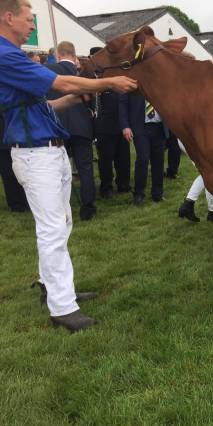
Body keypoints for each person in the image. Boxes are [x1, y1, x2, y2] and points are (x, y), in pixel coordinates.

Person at [0, 0, 137, 332]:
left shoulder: (12, 55)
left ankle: (54, 287)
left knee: (58, 225)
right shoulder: (5, 55)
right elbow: (60, 84)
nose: (32, 26)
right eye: (28, 19)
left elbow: (48, 103)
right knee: (52, 229)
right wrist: (109, 83)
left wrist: (77, 98)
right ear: (8, 17)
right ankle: (62, 307)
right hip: (36, 155)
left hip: (47, 151)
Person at [46, 40, 97, 220]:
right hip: (81, 126)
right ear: (74, 55)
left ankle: (58, 209)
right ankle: (88, 208)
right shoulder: (81, 73)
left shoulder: (48, 71)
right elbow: (90, 100)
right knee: (85, 168)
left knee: (56, 170)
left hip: (58, 127)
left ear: (58, 55)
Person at [90, 47, 131, 198]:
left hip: (120, 124)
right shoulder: (91, 80)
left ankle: (123, 184)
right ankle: (106, 187)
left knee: (123, 158)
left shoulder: (114, 77)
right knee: (105, 160)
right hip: (102, 127)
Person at [119, 91, 167, 205]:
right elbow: (123, 104)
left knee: (158, 160)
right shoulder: (133, 80)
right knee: (143, 159)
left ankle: (157, 193)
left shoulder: (158, 79)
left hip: (159, 126)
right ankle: (139, 194)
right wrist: (125, 126)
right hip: (140, 126)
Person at [0, 113, 28, 211]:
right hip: (9, 137)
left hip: (16, 136)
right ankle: (17, 204)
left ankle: (19, 203)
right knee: (8, 172)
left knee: (20, 171)